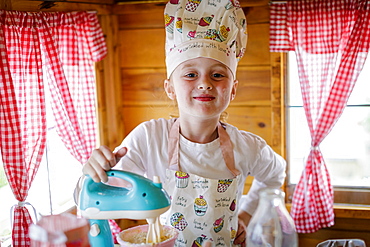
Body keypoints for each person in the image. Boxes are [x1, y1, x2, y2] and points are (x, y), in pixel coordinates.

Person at [81, 0, 286, 246]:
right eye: (190, 74)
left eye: (218, 75)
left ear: (232, 90)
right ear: (170, 88)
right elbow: (102, 195)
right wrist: (94, 175)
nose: (205, 83)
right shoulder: (149, 138)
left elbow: (275, 174)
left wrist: (246, 214)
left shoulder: (248, 146)